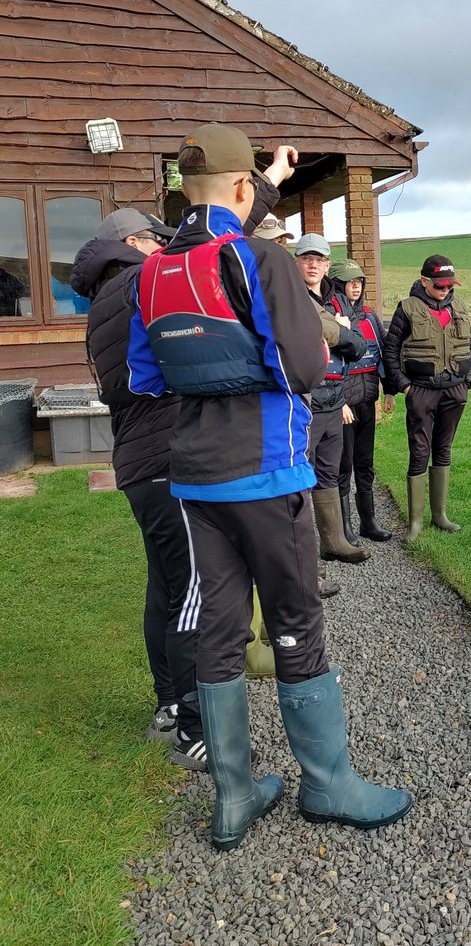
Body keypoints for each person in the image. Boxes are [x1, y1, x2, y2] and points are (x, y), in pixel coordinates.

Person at [127, 123, 412, 851]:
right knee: (295, 621)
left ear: (183, 189)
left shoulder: (150, 274)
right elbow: (304, 369)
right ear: (242, 186)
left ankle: (234, 796)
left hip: (195, 479)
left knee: (220, 632)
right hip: (267, 470)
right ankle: (328, 783)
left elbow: (146, 378)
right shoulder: (261, 259)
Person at [70, 149, 303, 769]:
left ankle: (169, 705)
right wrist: (264, 184)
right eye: (155, 238)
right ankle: (195, 728)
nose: (165, 245)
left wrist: (264, 185)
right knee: (194, 593)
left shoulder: (105, 297)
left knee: (168, 588)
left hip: (135, 462)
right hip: (168, 455)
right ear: (135, 244)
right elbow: (210, 246)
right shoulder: (142, 280)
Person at [383, 254, 471, 541]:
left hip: (454, 390)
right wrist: (404, 386)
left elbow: (470, 345)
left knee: (443, 449)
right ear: (424, 281)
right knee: (420, 451)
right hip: (421, 390)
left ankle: (440, 516)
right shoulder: (407, 309)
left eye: (449, 285)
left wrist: (468, 380)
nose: (445, 290)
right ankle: (415, 523)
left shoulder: (459, 307)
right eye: (439, 285)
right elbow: (390, 351)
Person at [294, 234, 371, 564]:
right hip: (304, 404)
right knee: (298, 478)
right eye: (306, 258)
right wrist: (339, 331)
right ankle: (302, 558)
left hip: (334, 402)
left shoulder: (337, 300)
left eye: (320, 260)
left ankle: (333, 542)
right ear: (297, 262)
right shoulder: (290, 296)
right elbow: (306, 338)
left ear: (327, 265)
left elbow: (359, 346)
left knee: (328, 473)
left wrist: (340, 333)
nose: (313, 265)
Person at [328, 258, 394, 544]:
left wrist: (389, 390)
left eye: (359, 282)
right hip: (342, 406)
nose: (356, 287)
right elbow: (327, 363)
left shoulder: (370, 317)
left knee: (365, 463)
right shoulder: (330, 316)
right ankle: (343, 528)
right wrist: (339, 401)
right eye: (350, 282)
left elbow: (384, 353)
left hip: (367, 400)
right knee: (343, 466)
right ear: (338, 284)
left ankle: (368, 522)